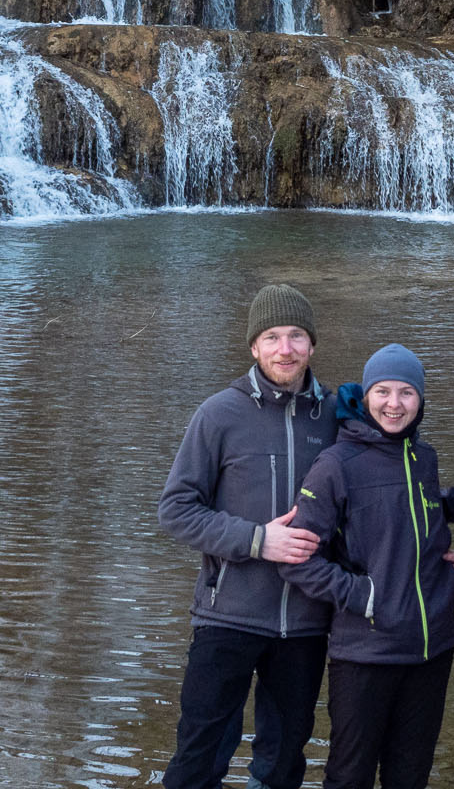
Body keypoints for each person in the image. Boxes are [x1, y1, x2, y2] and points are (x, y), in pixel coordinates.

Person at [157, 284, 338, 789]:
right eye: (273, 336)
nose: (286, 348)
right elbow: (175, 510)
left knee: (282, 765)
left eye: (297, 336)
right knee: (197, 761)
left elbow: (372, 500)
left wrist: (424, 551)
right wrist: (259, 540)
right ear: (254, 347)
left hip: (305, 623)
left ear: (312, 345)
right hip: (226, 615)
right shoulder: (219, 414)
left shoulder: (337, 419)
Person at [280, 344, 454, 789]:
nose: (394, 404)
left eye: (407, 393)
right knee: (350, 776)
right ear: (365, 397)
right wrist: (364, 596)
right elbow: (298, 560)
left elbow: (409, 511)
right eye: (383, 392)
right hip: (365, 652)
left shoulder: (421, 457)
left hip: (431, 648)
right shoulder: (336, 464)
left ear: (421, 400)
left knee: (410, 777)